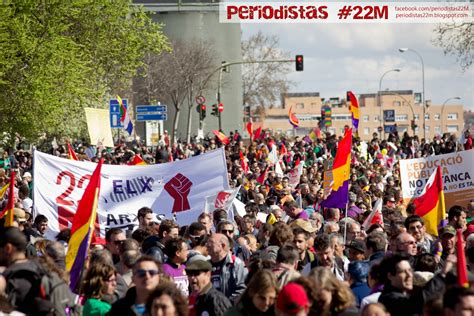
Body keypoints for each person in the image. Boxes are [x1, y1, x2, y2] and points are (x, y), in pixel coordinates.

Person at [206, 233, 247, 303]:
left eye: (211, 242)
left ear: (223, 245)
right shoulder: (205, 265)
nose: (207, 245)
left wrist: (226, 304)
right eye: (207, 242)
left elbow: (242, 289)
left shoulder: (236, 264)